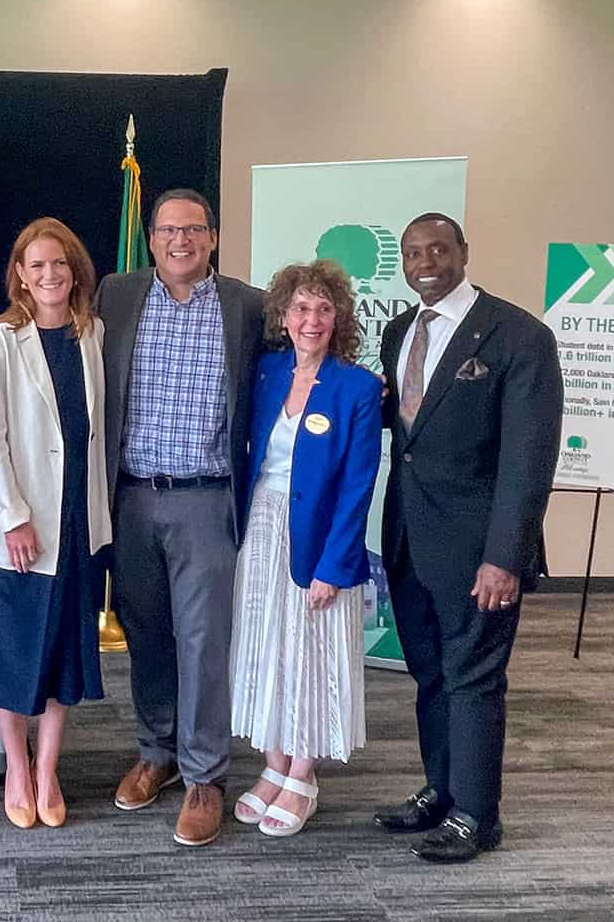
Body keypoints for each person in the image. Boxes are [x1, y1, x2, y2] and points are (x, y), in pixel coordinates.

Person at [373, 212, 563, 863]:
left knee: (474, 678)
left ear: (462, 253)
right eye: (412, 252)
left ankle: (477, 814)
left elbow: (528, 460)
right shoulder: (399, 331)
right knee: (431, 674)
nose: (425, 260)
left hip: (479, 552)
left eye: (437, 248)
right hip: (408, 539)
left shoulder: (518, 336)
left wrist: (504, 558)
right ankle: (443, 790)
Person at [95, 187, 264, 847]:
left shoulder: (248, 307)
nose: (180, 241)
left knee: (203, 641)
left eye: (193, 230)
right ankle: (156, 751)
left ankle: (204, 775)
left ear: (213, 237)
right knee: (147, 632)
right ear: (152, 238)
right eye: (167, 230)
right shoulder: (116, 293)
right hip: (131, 495)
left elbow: (297, 364)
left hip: (205, 497)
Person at [0, 217, 112, 829]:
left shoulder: (93, 333)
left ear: (75, 271)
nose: (50, 274)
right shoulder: (0, 341)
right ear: (20, 278)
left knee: (61, 654)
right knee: (13, 651)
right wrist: (13, 517)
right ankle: (16, 769)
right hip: (18, 531)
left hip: (78, 521)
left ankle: (48, 768)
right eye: (37, 266)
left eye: (60, 263)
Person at [229, 261, 382, 837]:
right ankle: (272, 765)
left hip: (317, 541)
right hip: (262, 531)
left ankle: (302, 774)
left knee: (310, 654)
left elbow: (357, 486)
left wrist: (335, 567)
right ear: (284, 317)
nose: (311, 319)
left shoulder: (358, 388)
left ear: (338, 316)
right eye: (301, 308)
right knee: (267, 646)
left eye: (323, 309)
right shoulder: (267, 373)